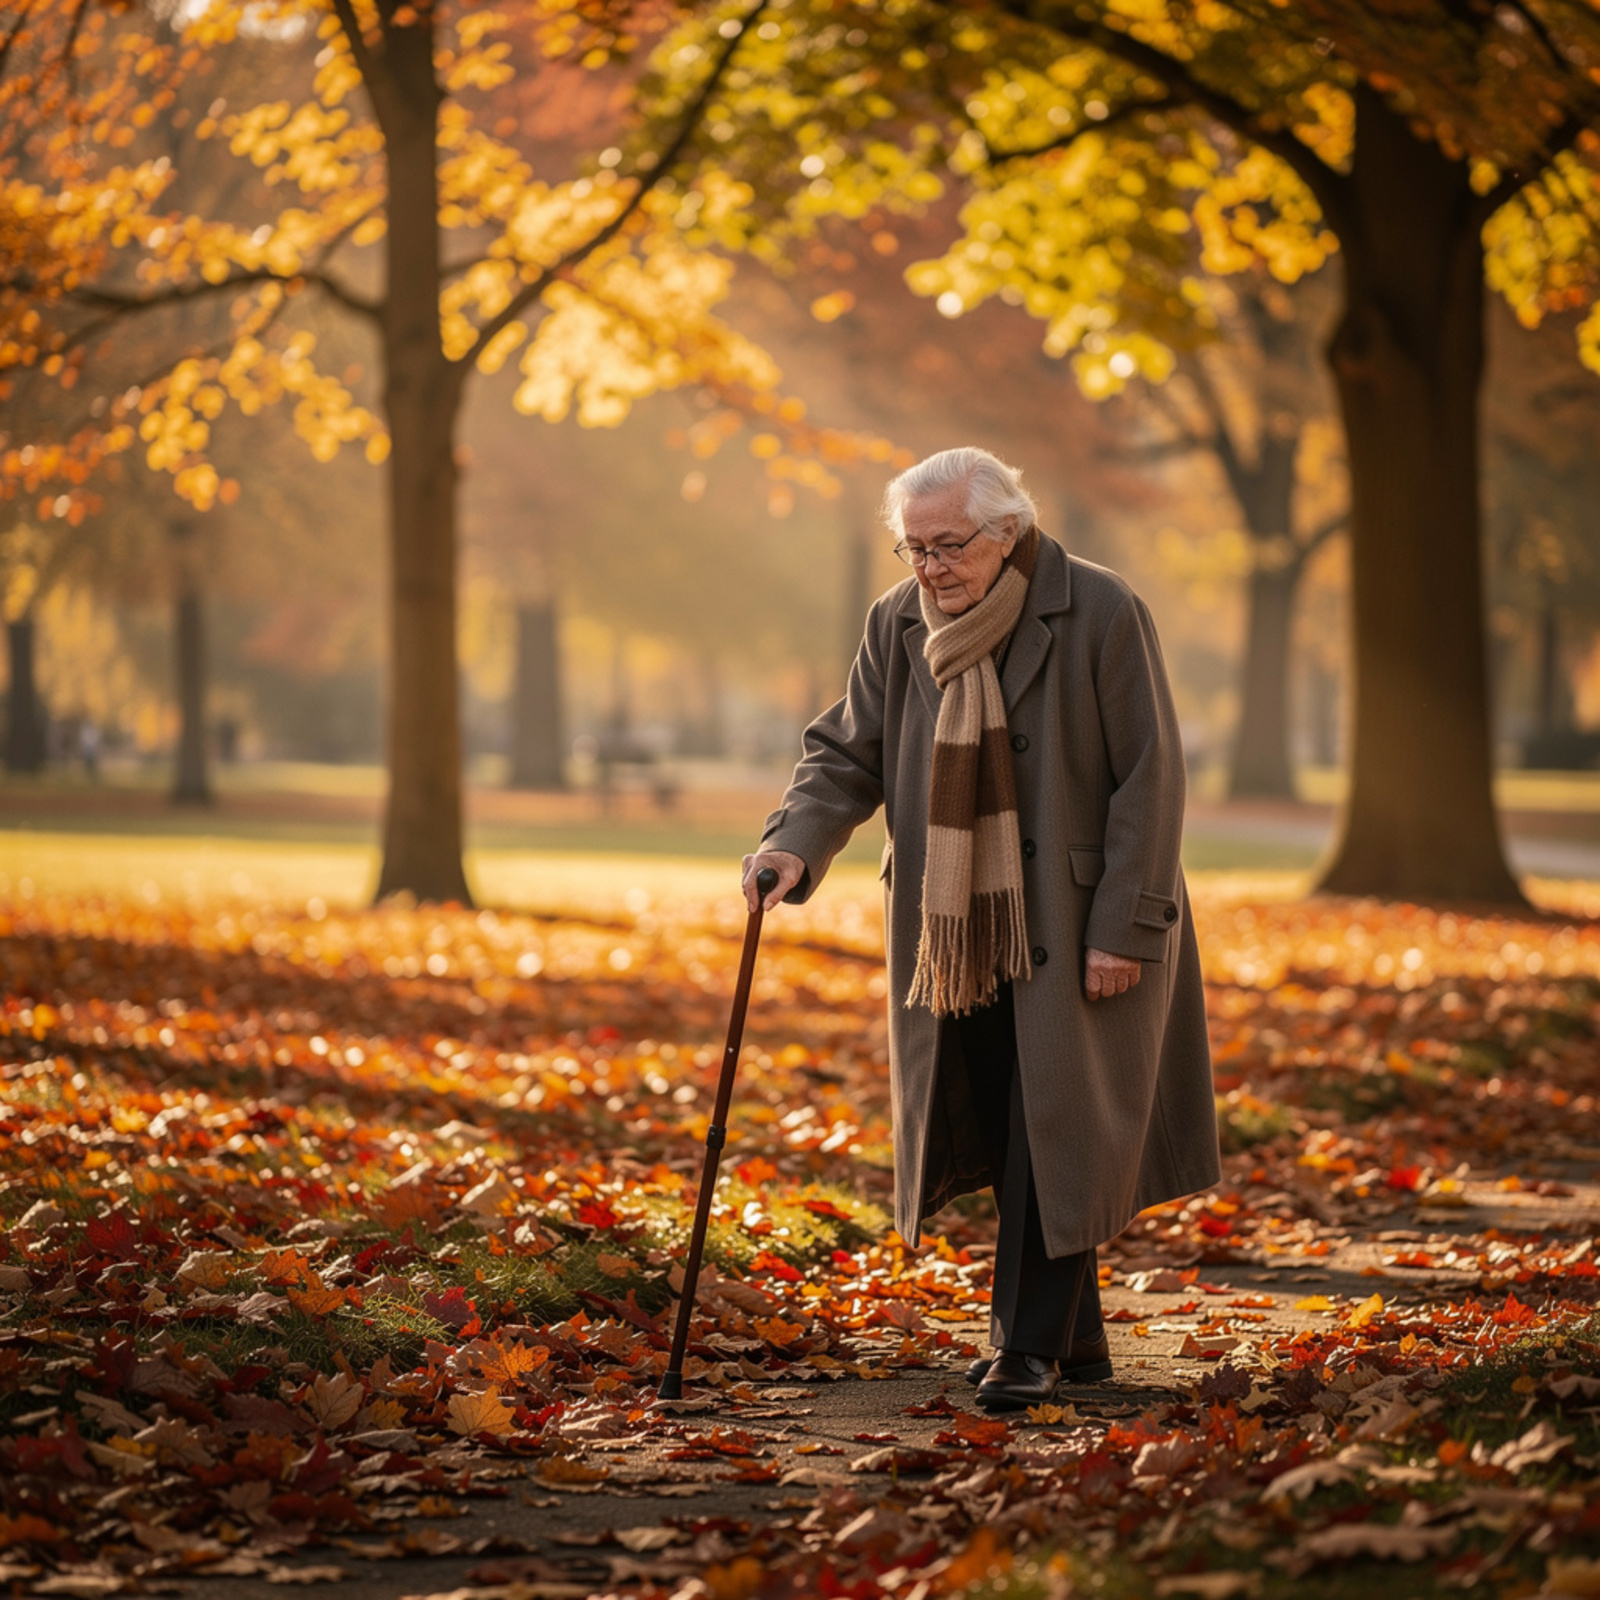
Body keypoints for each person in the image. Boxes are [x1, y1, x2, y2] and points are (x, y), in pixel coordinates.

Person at [743, 447, 1220, 1412]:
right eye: (912, 547)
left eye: (949, 544)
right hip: (955, 924)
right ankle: (1077, 1341)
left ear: (1007, 533)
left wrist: (1125, 928)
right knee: (1015, 1114)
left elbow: (1150, 778)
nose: (930, 567)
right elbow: (845, 752)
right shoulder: (896, 622)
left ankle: (1023, 1348)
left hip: (1078, 921)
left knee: (1054, 1124)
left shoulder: (1100, 610)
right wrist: (792, 846)